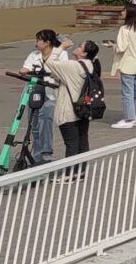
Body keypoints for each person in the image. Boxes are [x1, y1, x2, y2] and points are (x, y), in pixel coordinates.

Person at [46, 39, 98, 174]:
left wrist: (61, 47)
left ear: (84, 53)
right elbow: (63, 76)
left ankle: (70, 174)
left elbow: (49, 62)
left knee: (71, 144)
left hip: (69, 111)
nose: (77, 46)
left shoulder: (73, 66)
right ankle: (80, 171)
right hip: (84, 110)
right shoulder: (90, 66)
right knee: (82, 142)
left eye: (80, 46)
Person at [21, 29, 70, 164]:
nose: (35, 43)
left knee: (46, 122)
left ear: (47, 42)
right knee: (34, 125)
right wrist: (25, 71)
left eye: (38, 40)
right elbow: (25, 68)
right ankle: (37, 156)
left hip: (51, 94)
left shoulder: (62, 54)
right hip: (35, 92)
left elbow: (60, 70)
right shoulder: (33, 55)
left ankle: (46, 154)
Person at [111, 5, 136, 128]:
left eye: (123, 10)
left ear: (129, 13)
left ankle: (129, 119)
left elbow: (121, 48)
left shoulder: (125, 29)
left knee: (127, 93)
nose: (121, 12)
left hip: (129, 64)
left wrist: (113, 46)